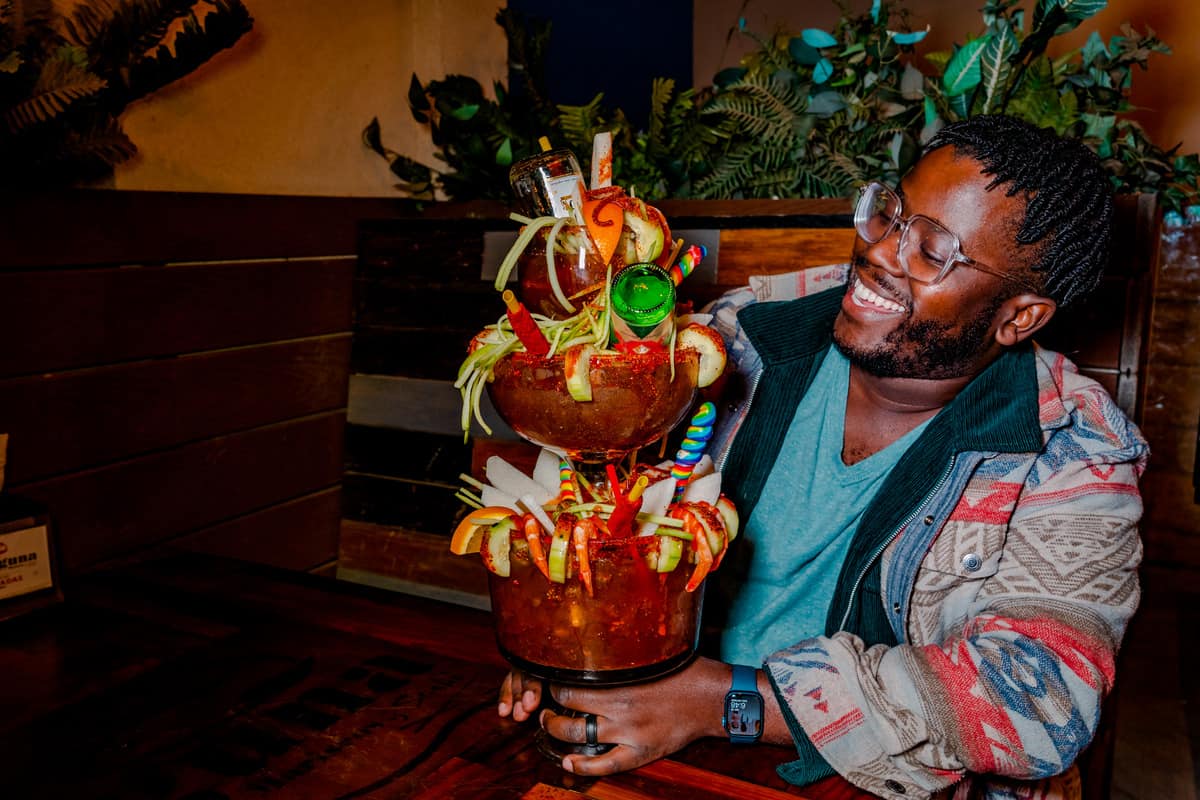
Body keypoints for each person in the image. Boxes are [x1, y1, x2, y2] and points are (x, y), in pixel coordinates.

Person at [498, 114, 1148, 800]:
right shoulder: (731, 344)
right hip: (661, 748)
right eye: (892, 212)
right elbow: (603, 506)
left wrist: (721, 701)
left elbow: (1042, 699)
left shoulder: (1071, 451)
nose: (879, 251)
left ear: (1018, 318)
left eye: (931, 250)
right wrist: (576, 645)